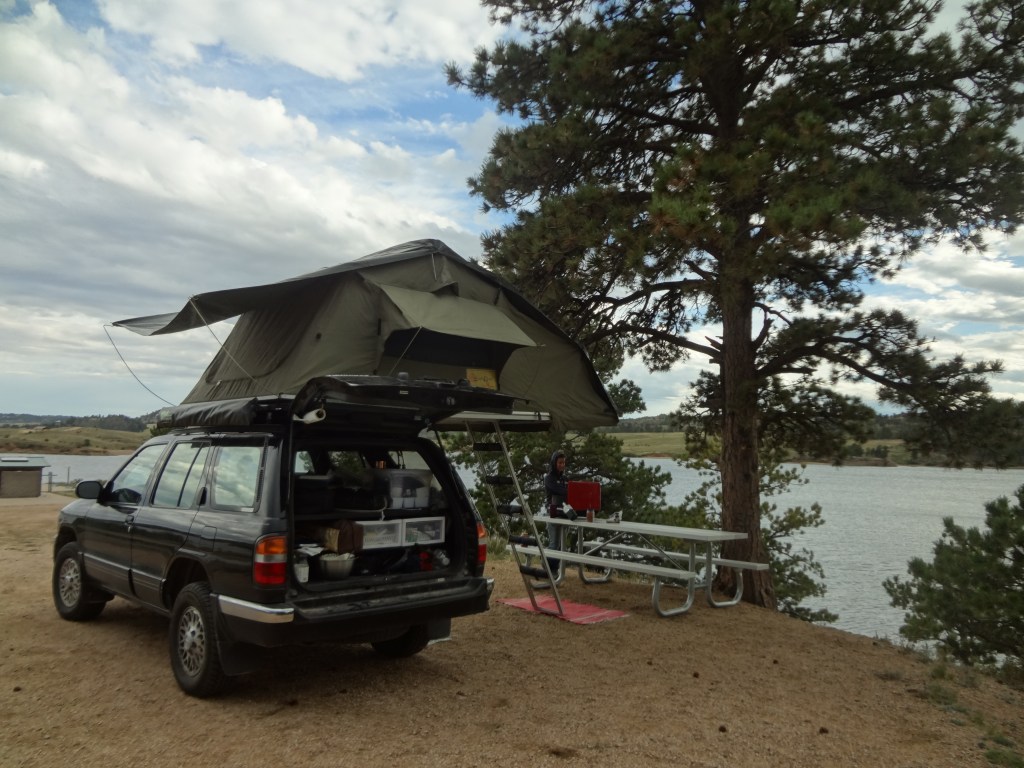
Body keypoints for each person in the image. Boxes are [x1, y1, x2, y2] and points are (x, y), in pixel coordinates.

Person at [543, 449, 576, 576]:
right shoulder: (548, 478)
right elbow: (561, 491)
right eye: (560, 462)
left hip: (566, 514)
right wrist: (569, 490)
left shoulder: (565, 478)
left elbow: (570, 493)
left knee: (562, 544)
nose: (562, 465)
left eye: (564, 463)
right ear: (554, 463)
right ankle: (550, 569)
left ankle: (554, 570)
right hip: (552, 514)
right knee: (554, 543)